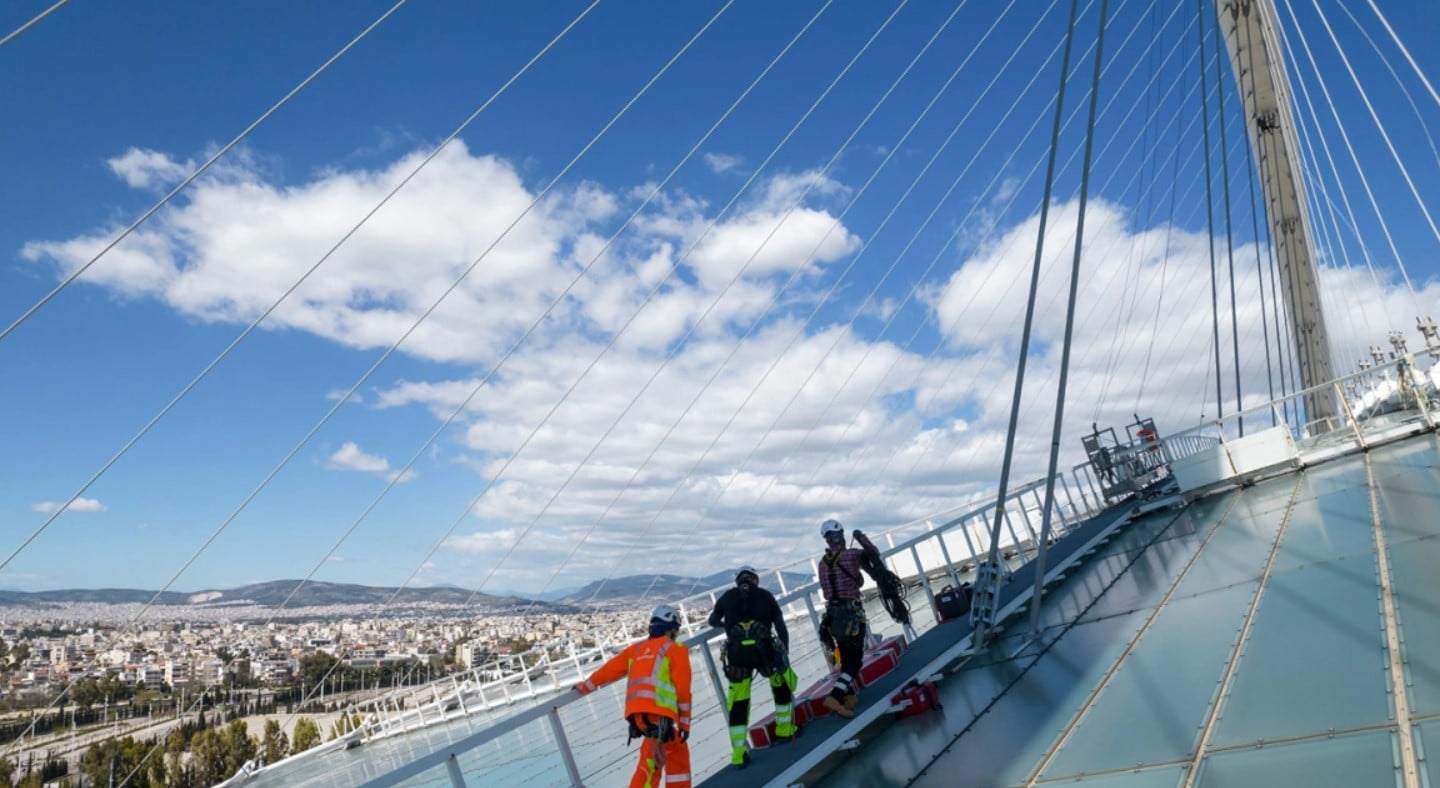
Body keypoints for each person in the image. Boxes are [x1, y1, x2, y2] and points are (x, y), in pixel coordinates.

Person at [575, 603, 693, 788]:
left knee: (663, 754)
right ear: (672, 629)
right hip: (659, 714)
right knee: (652, 763)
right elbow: (683, 691)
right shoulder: (676, 649)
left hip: (637, 716)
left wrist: (587, 685)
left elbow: (610, 670)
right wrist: (685, 723)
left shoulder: (636, 650)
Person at [707, 565, 798, 768]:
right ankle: (785, 730)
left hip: (738, 657)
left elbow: (712, 620)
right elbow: (779, 623)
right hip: (765, 654)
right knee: (780, 686)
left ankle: (738, 753)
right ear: (755, 580)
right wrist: (785, 645)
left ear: (738, 581)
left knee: (739, 703)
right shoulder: (765, 595)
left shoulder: (728, 596)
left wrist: (729, 627)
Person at [817, 518, 881, 718]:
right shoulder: (850, 555)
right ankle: (835, 697)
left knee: (845, 659)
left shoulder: (822, 563)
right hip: (851, 614)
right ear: (840, 536)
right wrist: (861, 537)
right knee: (854, 663)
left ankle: (849, 697)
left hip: (833, 617)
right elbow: (873, 554)